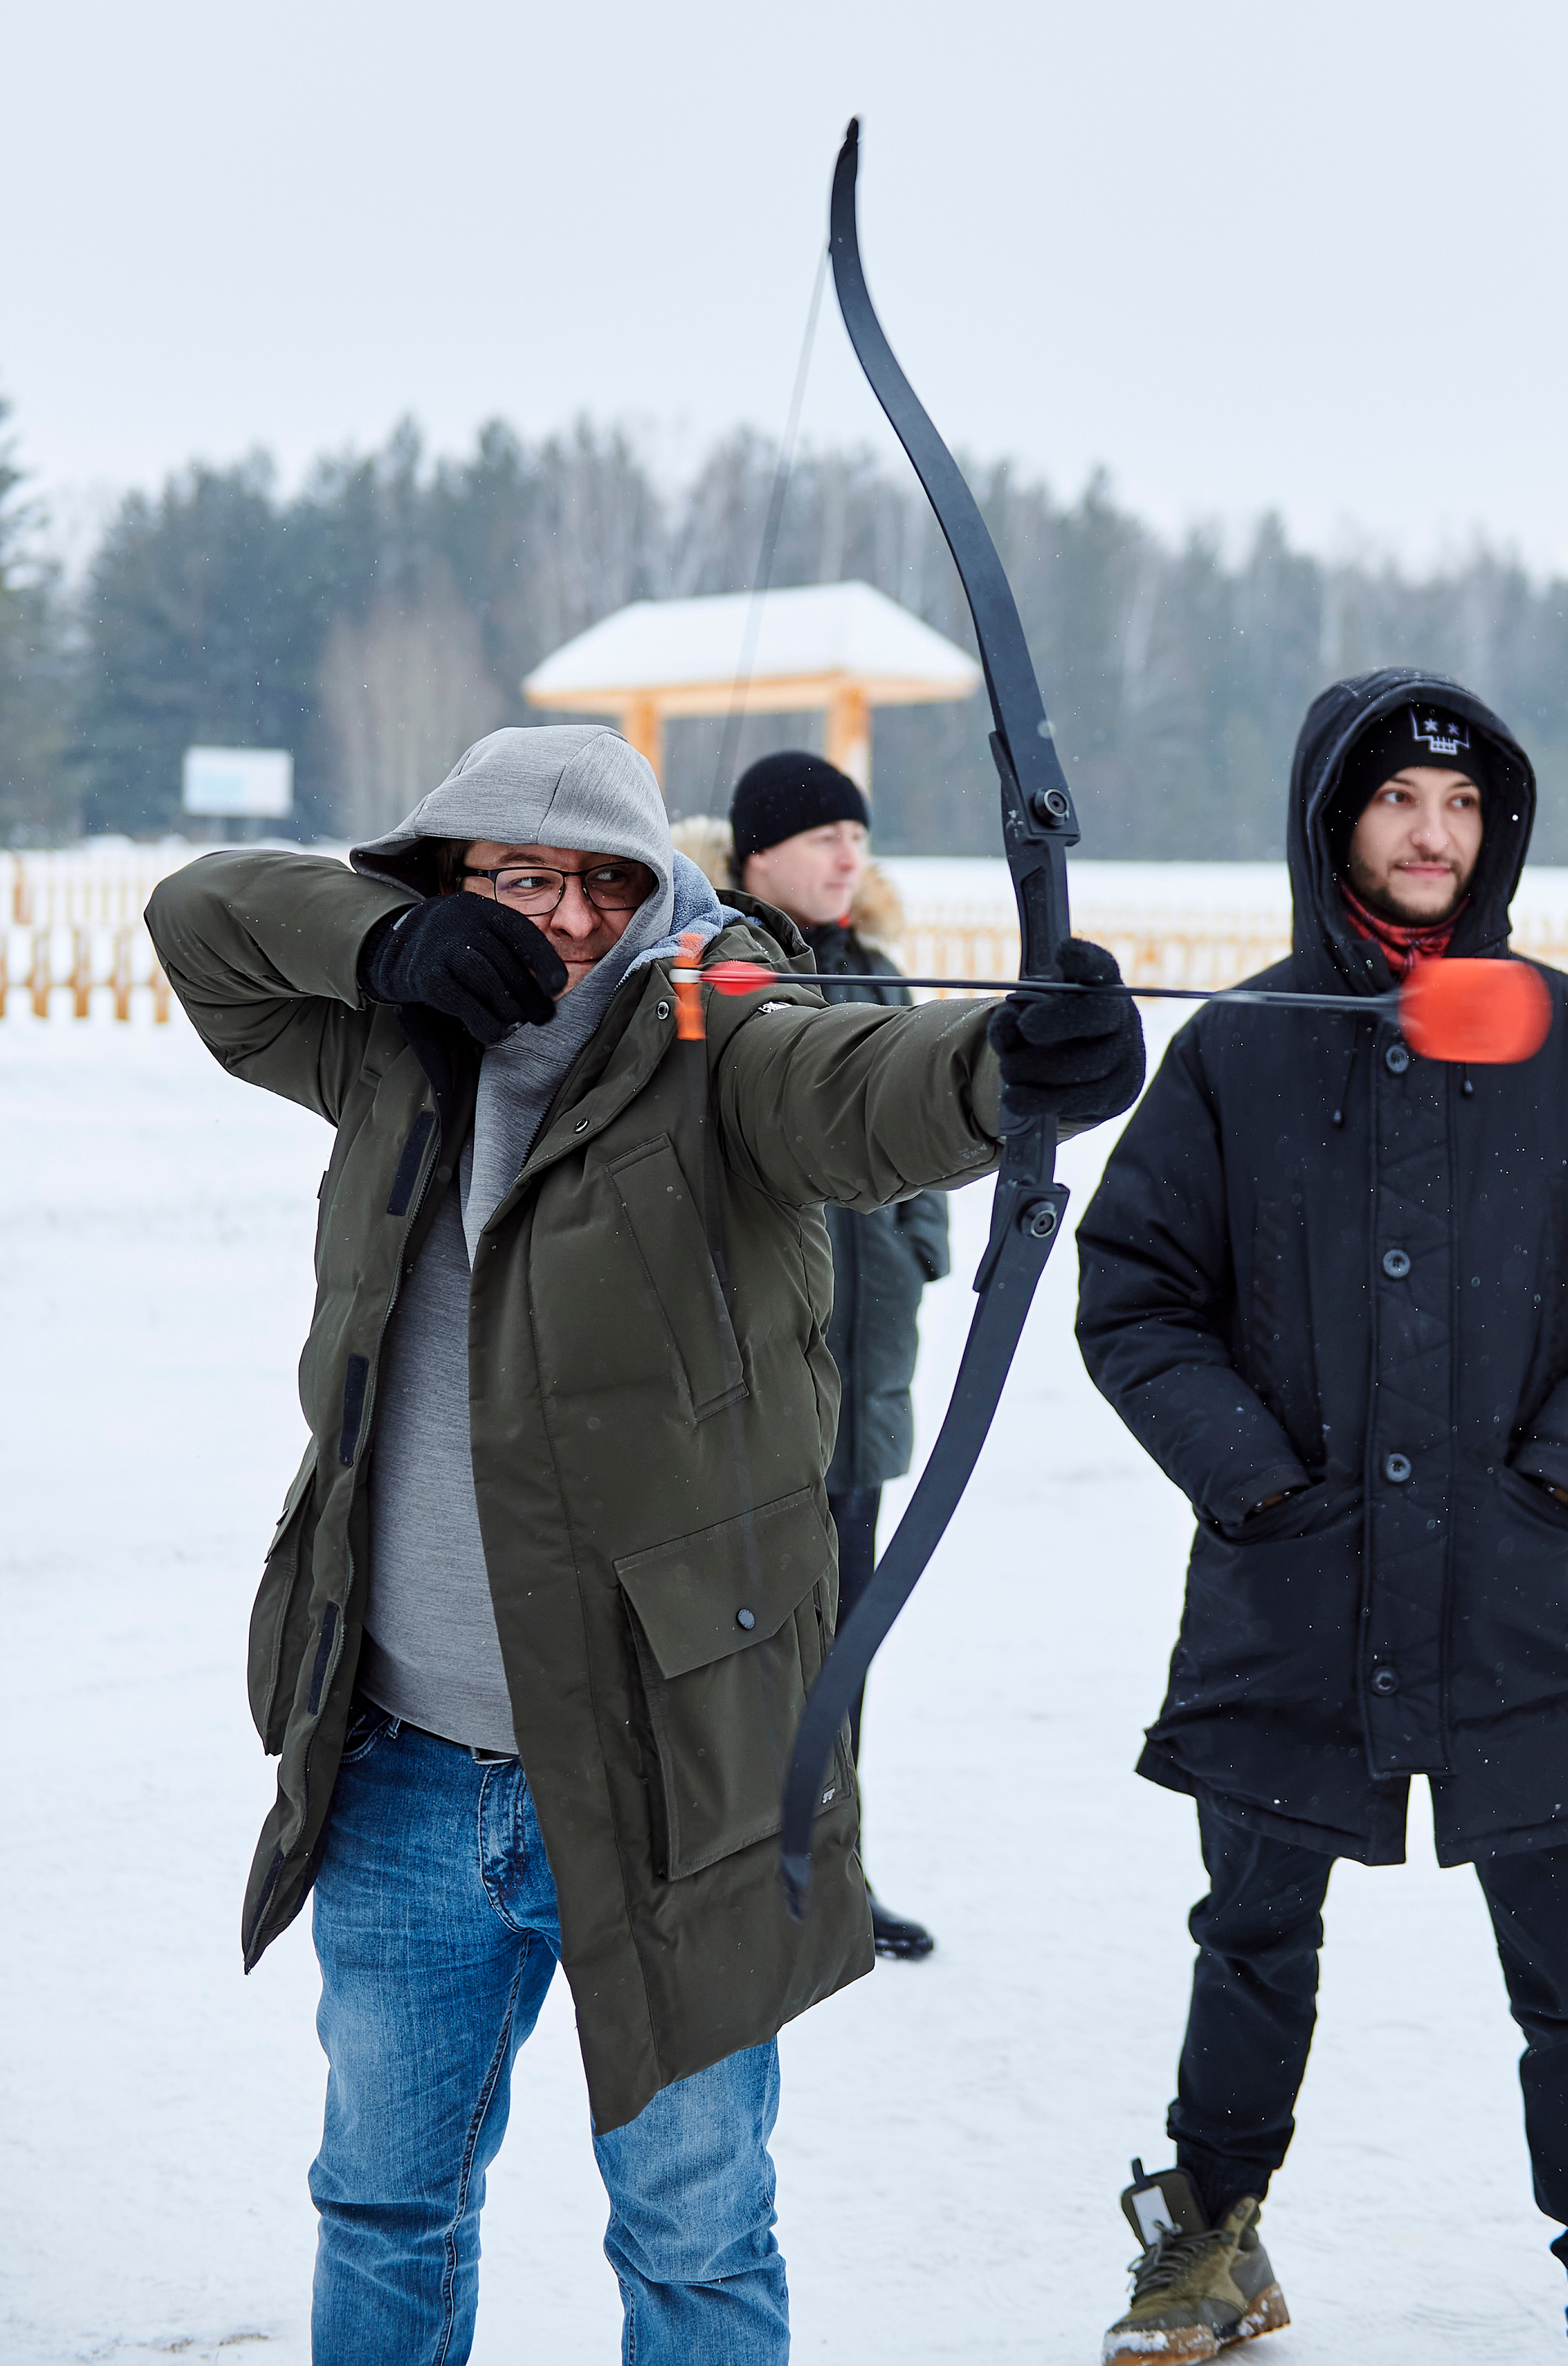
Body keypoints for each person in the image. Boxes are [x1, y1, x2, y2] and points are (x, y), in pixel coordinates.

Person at [146, 723, 1142, 2365]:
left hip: (663, 1771)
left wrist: (1002, 1074)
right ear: (449, 882)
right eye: (511, 880)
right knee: (383, 2205)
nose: (559, 918)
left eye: (599, 885)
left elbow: (858, 1090)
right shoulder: (388, 1047)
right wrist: (385, 941)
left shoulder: (718, 1036)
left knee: (692, 2240)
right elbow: (201, 917)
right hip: (399, 1764)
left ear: (654, 892)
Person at [1075, 671, 1568, 2366]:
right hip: (1291, 1586)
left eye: (1456, 808)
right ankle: (1206, 2250)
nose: (1429, 836)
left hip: (1511, 1592)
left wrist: (1557, 1481)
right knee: (1249, 1933)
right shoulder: (1242, 1048)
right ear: (1332, 823)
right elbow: (1134, 1293)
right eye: (1394, 804)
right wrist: (1256, 1482)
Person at [727, 749, 950, 1962]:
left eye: (857, 837)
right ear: (759, 852)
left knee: (847, 1640)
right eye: (823, 837)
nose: (847, 857)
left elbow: (930, 1126)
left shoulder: (878, 977)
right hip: (760, 1390)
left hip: (865, 1381)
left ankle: (829, 1867)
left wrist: (917, 1245)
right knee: (754, 1645)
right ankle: (738, 1877)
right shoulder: (726, 969)